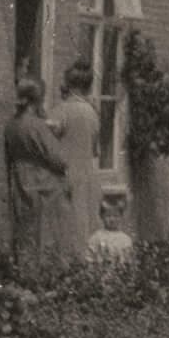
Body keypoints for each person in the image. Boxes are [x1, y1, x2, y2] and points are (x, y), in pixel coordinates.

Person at [2, 77, 66, 279]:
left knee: (24, 229)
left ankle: (23, 273)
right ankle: (43, 278)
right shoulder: (37, 125)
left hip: (19, 178)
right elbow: (59, 159)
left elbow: (7, 157)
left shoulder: (11, 125)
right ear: (37, 100)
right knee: (45, 232)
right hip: (42, 182)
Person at [48, 61, 103, 262]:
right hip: (88, 178)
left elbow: (46, 142)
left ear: (68, 84)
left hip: (66, 177)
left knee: (64, 229)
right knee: (85, 227)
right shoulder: (92, 113)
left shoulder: (61, 111)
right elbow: (95, 149)